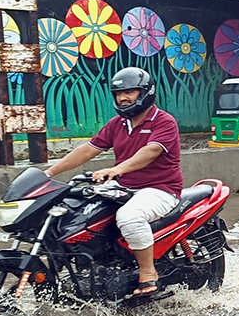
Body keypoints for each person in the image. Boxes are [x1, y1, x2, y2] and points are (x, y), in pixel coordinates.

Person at [43, 67, 183, 297]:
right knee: (74, 213)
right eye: (118, 93)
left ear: (146, 92)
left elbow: (150, 152)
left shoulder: (164, 122)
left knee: (129, 217)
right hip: (123, 187)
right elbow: (87, 150)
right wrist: (48, 173)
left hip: (160, 189)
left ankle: (148, 272)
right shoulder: (117, 123)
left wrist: (117, 169)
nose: (122, 98)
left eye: (130, 92)